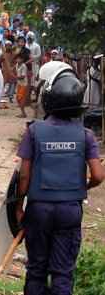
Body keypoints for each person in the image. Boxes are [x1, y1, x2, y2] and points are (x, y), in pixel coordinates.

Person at [15, 68, 105, 295]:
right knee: (63, 273)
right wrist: (83, 187)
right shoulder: (86, 135)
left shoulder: (34, 131)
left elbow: (23, 175)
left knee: (36, 269)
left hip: (39, 210)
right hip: (69, 211)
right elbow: (98, 175)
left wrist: (18, 207)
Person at [15, 54, 31, 118]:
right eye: (17, 58)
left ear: (22, 60)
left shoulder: (23, 66)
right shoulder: (16, 65)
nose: (18, 60)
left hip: (24, 85)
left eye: (20, 59)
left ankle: (23, 113)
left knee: (21, 99)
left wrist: (15, 77)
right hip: (19, 84)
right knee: (18, 99)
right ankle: (23, 113)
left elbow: (23, 76)